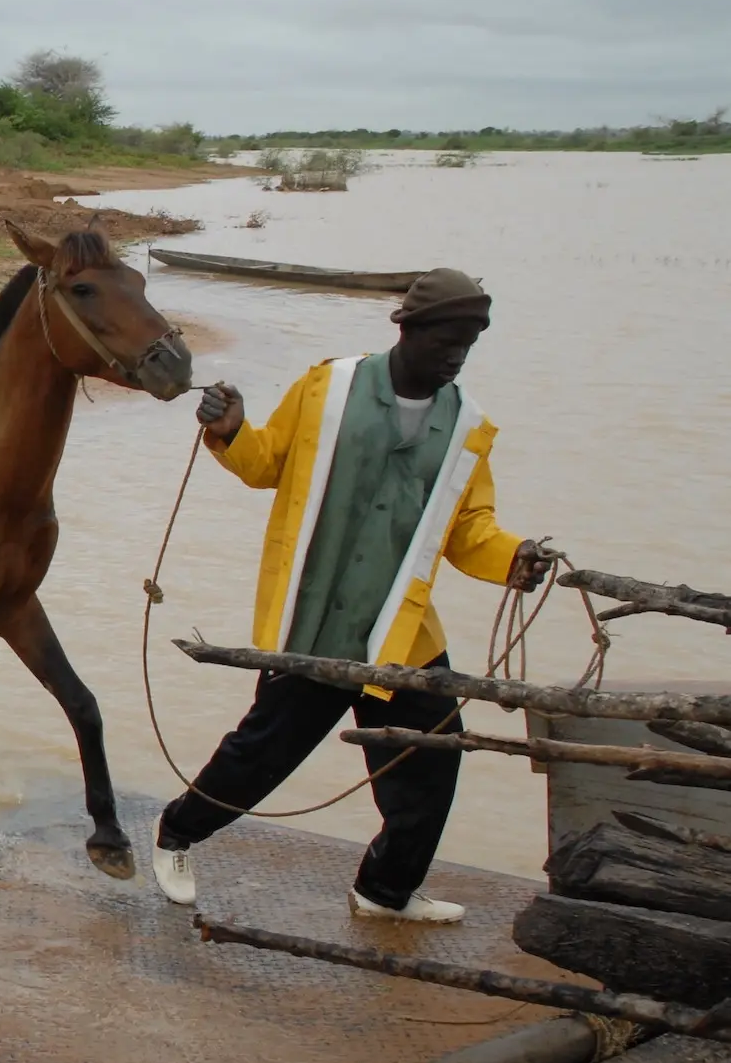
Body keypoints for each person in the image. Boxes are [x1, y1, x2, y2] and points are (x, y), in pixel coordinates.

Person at [150, 269, 553, 923]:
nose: (454, 356)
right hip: (312, 619)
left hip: (399, 630)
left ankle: (383, 891)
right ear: (407, 330)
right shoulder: (328, 387)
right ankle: (175, 834)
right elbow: (264, 464)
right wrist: (230, 431)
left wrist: (513, 557)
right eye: (444, 340)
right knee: (262, 755)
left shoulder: (465, 426)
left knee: (428, 757)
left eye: (467, 345)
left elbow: (468, 529)